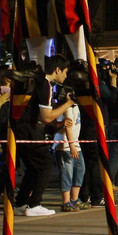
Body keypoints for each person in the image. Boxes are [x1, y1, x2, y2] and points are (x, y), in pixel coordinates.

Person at [14, 54, 77, 217]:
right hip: (29, 129)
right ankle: (34, 204)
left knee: (34, 167)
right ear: (57, 70)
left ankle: (21, 203)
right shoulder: (45, 85)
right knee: (46, 163)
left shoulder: (39, 83)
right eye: (65, 72)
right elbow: (47, 117)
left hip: (22, 127)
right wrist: (67, 104)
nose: (65, 76)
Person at [53, 84, 84, 211]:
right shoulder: (65, 107)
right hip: (65, 145)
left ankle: (74, 199)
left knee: (80, 169)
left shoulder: (75, 106)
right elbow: (68, 126)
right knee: (67, 172)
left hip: (75, 143)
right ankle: (66, 201)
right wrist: (71, 145)